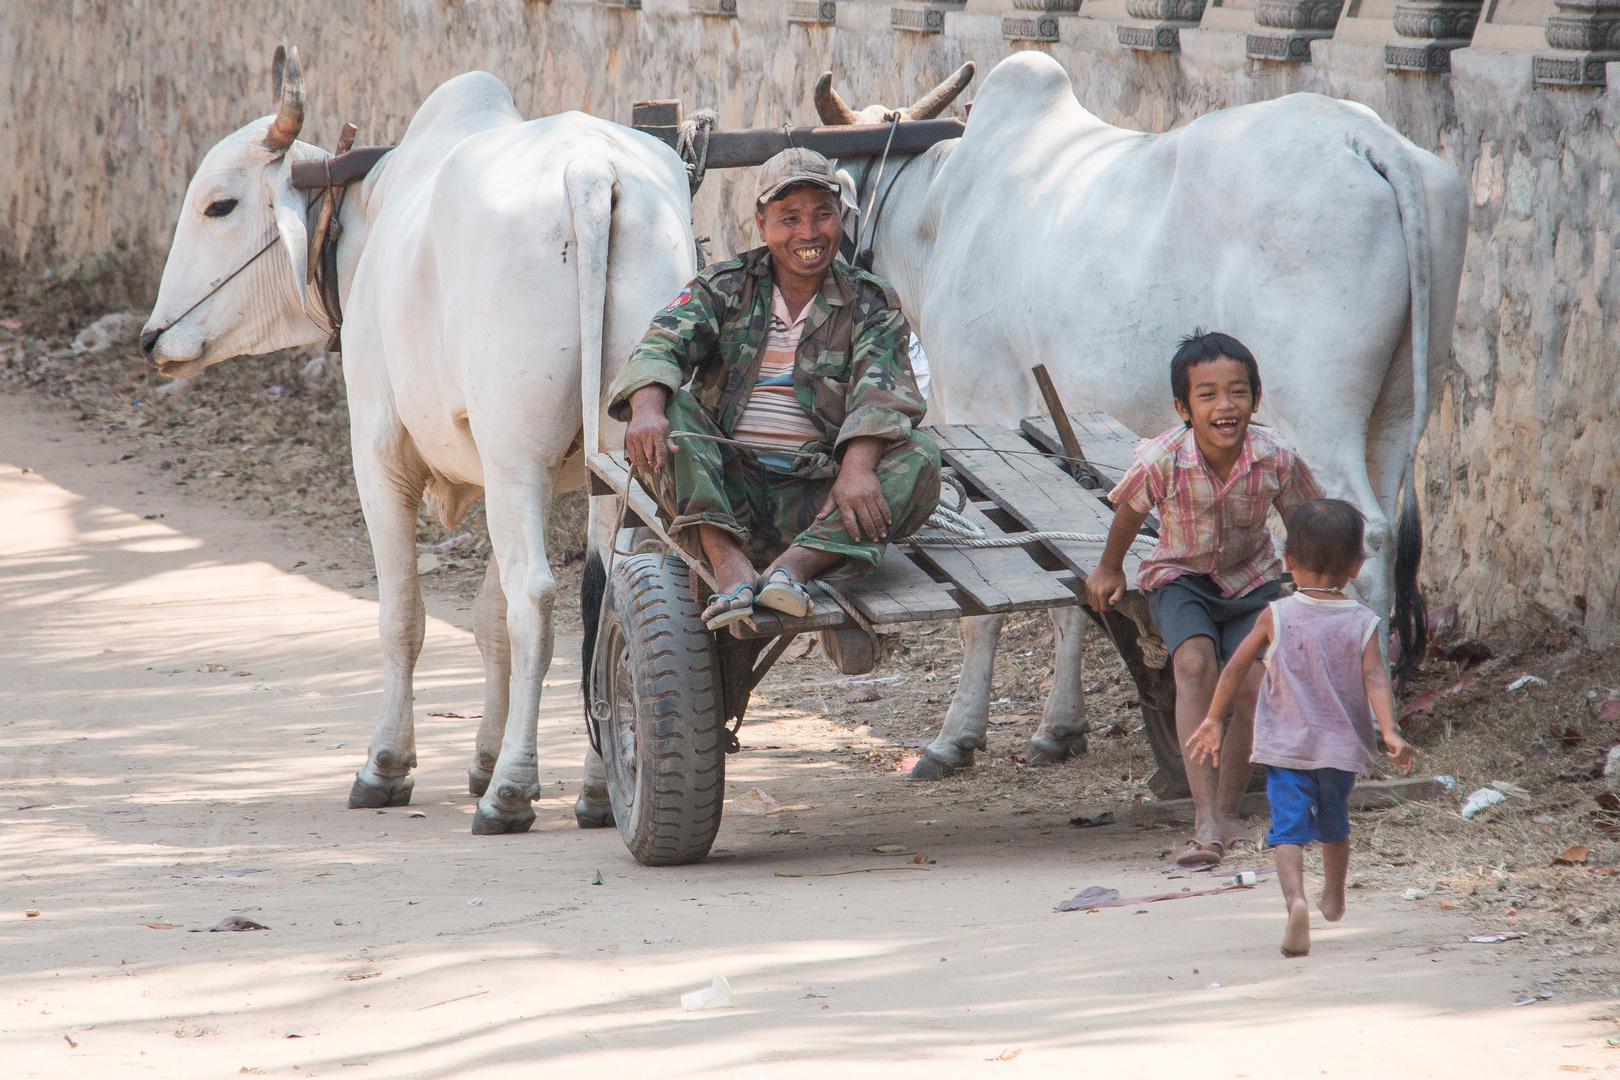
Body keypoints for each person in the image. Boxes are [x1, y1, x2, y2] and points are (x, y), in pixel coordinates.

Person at [608, 147, 940, 630]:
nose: (808, 233)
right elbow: (662, 343)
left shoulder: (870, 300)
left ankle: (796, 566)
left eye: (823, 215)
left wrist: (857, 468)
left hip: (822, 494)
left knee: (920, 457)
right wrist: (647, 410)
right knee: (669, 409)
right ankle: (727, 562)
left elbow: (883, 389)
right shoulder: (724, 286)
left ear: (840, 220)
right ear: (761, 224)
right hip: (725, 484)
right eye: (789, 218)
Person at [1086, 331, 1322, 867]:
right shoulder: (1162, 458)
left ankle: (1229, 809)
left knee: (1253, 682)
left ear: (1256, 400)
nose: (1225, 406)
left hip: (1252, 581)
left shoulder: (1276, 458)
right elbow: (1127, 510)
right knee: (1193, 664)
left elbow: (1307, 519)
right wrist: (1108, 567)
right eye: (1207, 394)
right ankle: (1204, 817)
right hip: (1181, 578)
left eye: (1237, 392)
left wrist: (1314, 585)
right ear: (1183, 407)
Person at [1184, 498, 1415, 957]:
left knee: (1286, 831)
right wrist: (1389, 730)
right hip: (1340, 751)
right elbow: (1374, 677)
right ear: (1356, 565)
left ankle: (1296, 902)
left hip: (1287, 748)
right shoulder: (1363, 621)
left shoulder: (1277, 614)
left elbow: (1234, 666)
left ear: (1288, 562)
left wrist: (1212, 717)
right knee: (1334, 824)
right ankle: (1334, 895)